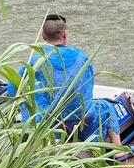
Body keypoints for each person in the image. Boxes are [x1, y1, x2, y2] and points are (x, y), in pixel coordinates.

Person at [10, 13, 123, 148]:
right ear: (65, 35)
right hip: (83, 122)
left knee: (31, 109)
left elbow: (14, 88)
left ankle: (33, 152)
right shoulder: (82, 58)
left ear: (43, 36)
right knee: (106, 107)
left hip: (50, 126)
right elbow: (88, 88)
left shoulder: (36, 61)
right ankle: (119, 151)